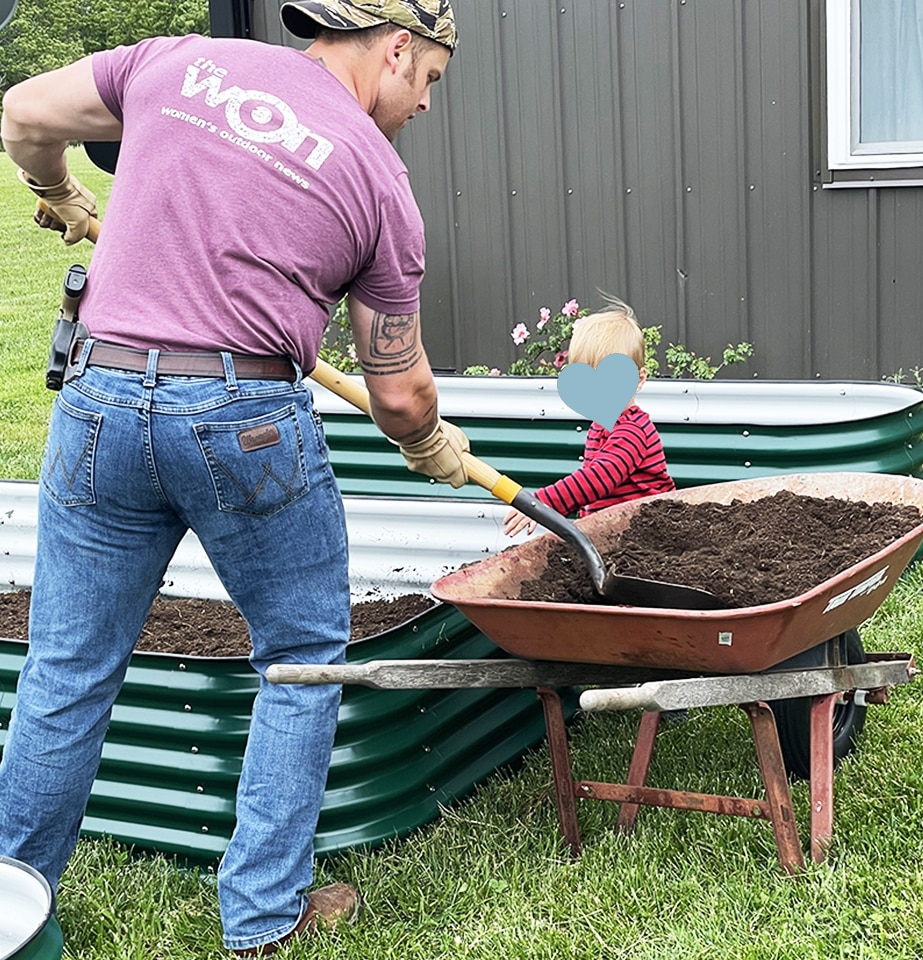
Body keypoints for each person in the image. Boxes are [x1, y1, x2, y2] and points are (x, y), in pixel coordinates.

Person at [0, 0, 468, 954]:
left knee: (67, 668)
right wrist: (431, 448)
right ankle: (260, 915)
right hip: (241, 420)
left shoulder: (178, 64)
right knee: (301, 655)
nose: (423, 104)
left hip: (100, 400)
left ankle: (13, 901)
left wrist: (54, 187)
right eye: (429, 81)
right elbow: (404, 399)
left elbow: (21, 115)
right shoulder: (380, 183)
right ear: (398, 47)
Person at [503, 295, 675, 537]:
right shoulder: (600, 427)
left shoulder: (633, 431)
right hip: (615, 536)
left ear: (640, 379)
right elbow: (594, 496)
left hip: (649, 536)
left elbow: (599, 477)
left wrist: (541, 502)